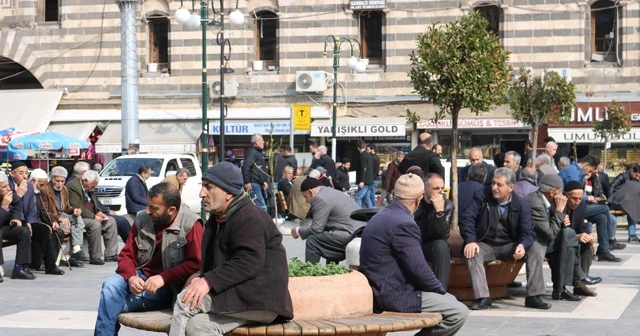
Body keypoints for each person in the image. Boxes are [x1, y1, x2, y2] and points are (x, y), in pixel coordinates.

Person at [169, 162, 293, 336]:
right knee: (198, 326)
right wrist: (200, 277)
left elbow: (249, 261)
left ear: (228, 193)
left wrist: (208, 281)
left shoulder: (248, 217)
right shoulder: (218, 217)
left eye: (208, 187)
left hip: (259, 296)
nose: (201, 193)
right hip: (241, 294)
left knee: (185, 302)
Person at [359, 173, 468, 336]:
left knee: (450, 302)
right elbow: (418, 268)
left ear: (395, 194)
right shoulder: (404, 223)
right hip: (393, 294)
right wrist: (440, 290)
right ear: (419, 198)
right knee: (458, 311)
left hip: (379, 288)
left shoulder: (381, 215)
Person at [94, 182, 204, 335]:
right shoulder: (142, 219)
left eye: (154, 208)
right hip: (141, 277)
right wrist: (131, 277)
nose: (147, 211)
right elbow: (126, 255)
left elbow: (195, 264)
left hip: (168, 288)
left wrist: (163, 278)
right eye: (148, 205)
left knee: (109, 302)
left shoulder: (191, 224)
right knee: (111, 285)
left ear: (171, 210)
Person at [459, 168, 549, 310]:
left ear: (511, 187)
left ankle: (533, 296)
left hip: (510, 245)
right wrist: (470, 240)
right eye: (493, 183)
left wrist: (522, 245)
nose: (494, 187)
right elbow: (467, 219)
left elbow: (528, 231)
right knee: (472, 253)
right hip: (485, 243)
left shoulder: (522, 205)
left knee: (536, 247)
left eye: (499, 185)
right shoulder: (481, 195)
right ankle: (483, 297)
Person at [525, 174, 581, 301]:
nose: (562, 196)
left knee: (567, 239)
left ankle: (562, 288)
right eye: (560, 192)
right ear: (552, 192)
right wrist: (560, 211)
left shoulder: (545, 200)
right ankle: (568, 285)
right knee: (568, 236)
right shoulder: (535, 202)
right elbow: (549, 233)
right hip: (532, 243)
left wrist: (559, 216)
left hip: (541, 240)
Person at [559, 154, 624, 261]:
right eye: (592, 170)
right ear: (587, 165)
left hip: (577, 205)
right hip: (570, 207)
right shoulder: (573, 172)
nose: (592, 173)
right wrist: (590, 198)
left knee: (601, 217)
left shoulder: (578, 171)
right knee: (604, 209)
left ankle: (603, 250)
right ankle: (610, 240)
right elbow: (575, 194)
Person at [291, 177, 363, 264]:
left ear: (310, 192)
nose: (306, 201)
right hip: (358, 232)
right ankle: (331, 271)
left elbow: (316, 229)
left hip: (348, 234)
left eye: (305, 197)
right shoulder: (330, 192)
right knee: (327, 236)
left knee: (313, 241)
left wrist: (297, 231)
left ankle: (310, 273)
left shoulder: (319, 198)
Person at [67, 170, 119, 265]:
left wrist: (99, 212)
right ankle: (95, 256)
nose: (92, 189)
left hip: (90, 214)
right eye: (92, 186)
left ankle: (111, 254)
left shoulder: (89, 188)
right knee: (95, 224)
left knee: (111, 221)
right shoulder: (73, 187)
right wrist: (93, 216)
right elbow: (77, 207)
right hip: (78, 217)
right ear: (85, 181)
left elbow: (94, 202)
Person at [414, 173, 453, 290]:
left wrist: (439, 212)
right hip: (412, 241)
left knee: (442, 246)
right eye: (436, 188)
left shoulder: (447, 205)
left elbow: (443, 235)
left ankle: (440, 291)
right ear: (425, 189)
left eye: (442, 188)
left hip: (430, 244)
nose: (440, 192)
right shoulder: (415, 202)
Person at [40, 166, 85, 267]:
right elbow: (45, 211)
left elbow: (67, 207)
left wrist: (74, 210)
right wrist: (59, 219)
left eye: (62, 181)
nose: (60, 184)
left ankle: (76, 248)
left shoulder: (64, 189)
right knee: (69, 229)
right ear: (52, 179)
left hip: (63, 214)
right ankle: (71, 252)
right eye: (57, 181)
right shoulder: (45, 190)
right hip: (52, 217)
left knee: (77, 217)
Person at [564, 181, 601, 297]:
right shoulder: (559, 205)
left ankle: (580, 284)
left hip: (571, 238)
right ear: (565, 195)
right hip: (559, 240)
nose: (577, 202)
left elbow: (581, 225)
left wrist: (589, 235)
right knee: (574, 244)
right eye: (574, 198)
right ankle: (581, 278)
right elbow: (555, 231)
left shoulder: (581, 206)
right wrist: (576, 237)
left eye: (580, 198)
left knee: (587, 245)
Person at [28, 169, 65, 275]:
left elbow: (43, 211)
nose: (43, 186)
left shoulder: (38, 193)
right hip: (29, 222)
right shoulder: (26, 192)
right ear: (33, 181)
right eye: (41, 184)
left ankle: (49, 263)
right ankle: (48, 265)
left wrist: (52, 221)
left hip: (37, 221)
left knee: (58, 231)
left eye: (44, 184)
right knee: (44, 230)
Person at [0, 173, 35, 281]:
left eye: (8, 185)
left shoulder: (9, 194)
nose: (8, 188)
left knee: (24, 231)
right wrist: (4, 207)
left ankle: (20, 267)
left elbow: (17, 203)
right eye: (4, 187)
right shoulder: (6, 199)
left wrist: (15, 218)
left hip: (4, 226)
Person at [241, 134, 269, 212]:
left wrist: (263, 181)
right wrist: (247, 182)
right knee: (262, 207)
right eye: (262, 140)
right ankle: (262, 223)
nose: (263, 142)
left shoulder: (256, 152)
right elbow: (246, 166)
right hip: (254, 183)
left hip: (257, 183)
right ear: (256, 142)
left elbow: (258, 169)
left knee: (259, 206)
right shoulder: (252, 152)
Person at [355, 140, 374, 208]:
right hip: (369, 180)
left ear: (358, 148)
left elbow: (363, 168)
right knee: (367, 198)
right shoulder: (368, 155)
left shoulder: (362, 155)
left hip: (364, 181)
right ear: (365, 146)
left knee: (358, 197)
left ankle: (358, 213)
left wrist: (362, 181)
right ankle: (371, 213)